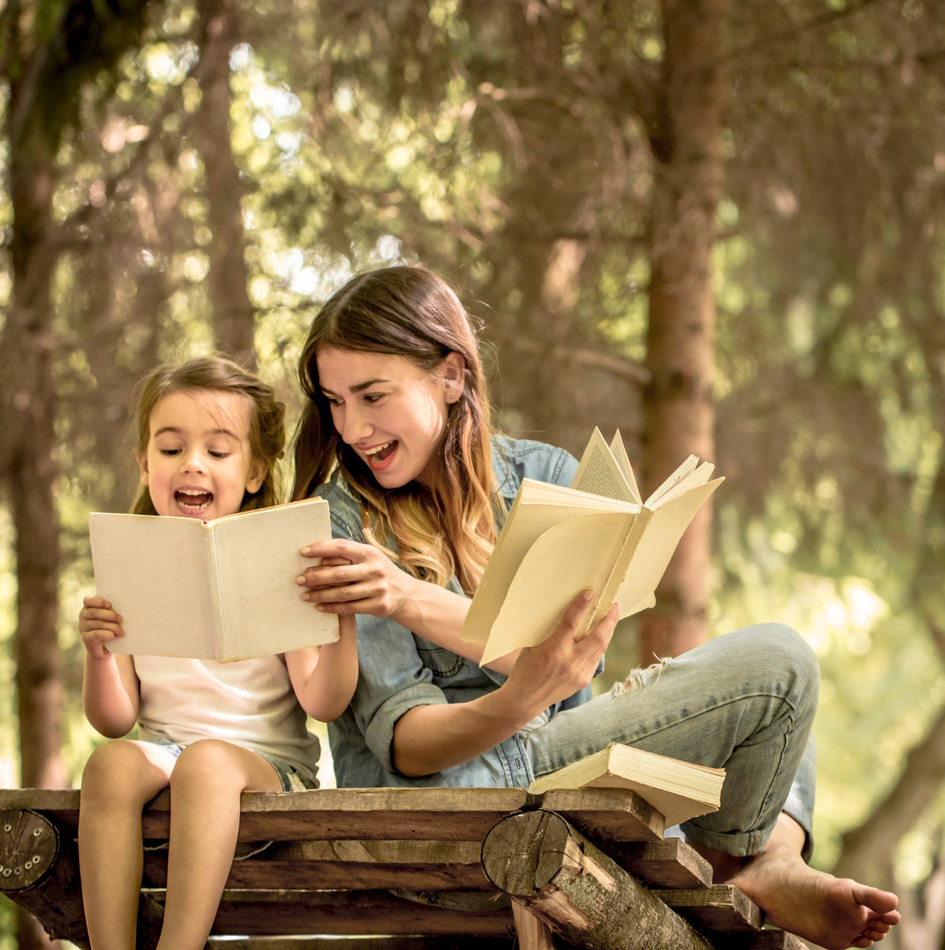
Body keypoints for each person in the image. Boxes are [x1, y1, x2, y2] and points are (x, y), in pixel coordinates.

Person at [290, 265, 900, 950]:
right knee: (778, 667)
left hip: (565, 770)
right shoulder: (338, 520)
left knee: (779, 714)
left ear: (452, 376)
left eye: (372, 396)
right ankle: (754, 864)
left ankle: (770, 863)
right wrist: (518, 697)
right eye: (335, 402)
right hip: (454, 797)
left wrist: (411, 599)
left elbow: (574, 666)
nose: (352, 428)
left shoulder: (544, 476)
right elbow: (404, 745)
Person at [77, 356, 357, 950]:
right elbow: (114, 720)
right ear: (144, 463)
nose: (192, 464)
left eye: (218, 451)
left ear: (255, 470)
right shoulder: (129, 567)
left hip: (269, 769)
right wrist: (100, 653)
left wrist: (342, 621)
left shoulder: (283, 562)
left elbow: (324, 702)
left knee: (206, 761)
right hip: (167, 756)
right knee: (110, 764)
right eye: (171, 449)